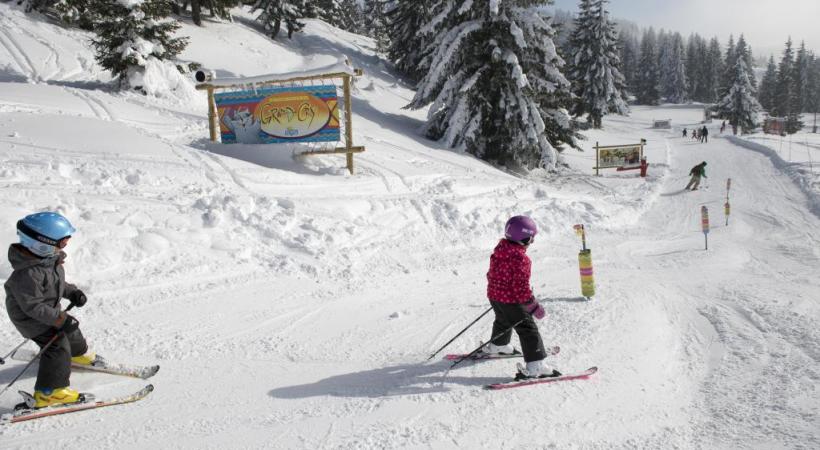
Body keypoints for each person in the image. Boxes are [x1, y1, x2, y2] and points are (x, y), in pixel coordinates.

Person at [4, 212, 97, 408]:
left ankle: (78, 355)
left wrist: (72, 292)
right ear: (42, 243)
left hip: (47, 313)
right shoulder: (27, 273)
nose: (64, 247)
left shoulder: (48, 261)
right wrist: (60, 319)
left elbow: (56, 284)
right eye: (62, 243)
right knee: (57, 346)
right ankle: (50, 392)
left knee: (71, 329)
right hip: (30, 319)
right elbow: (33, 307)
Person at [481, 216, 560, 378]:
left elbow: (491, 274)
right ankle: (536, 365)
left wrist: (498, 291)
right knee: (528, 329)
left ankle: (499, 345)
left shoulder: (500, 249)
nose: (532, 242)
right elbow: (521, 288)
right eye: (532, 239)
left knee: (503, 320)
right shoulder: (521, 259)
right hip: (511, 300)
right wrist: (533, 306)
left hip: (495, 296)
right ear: (524, 238)